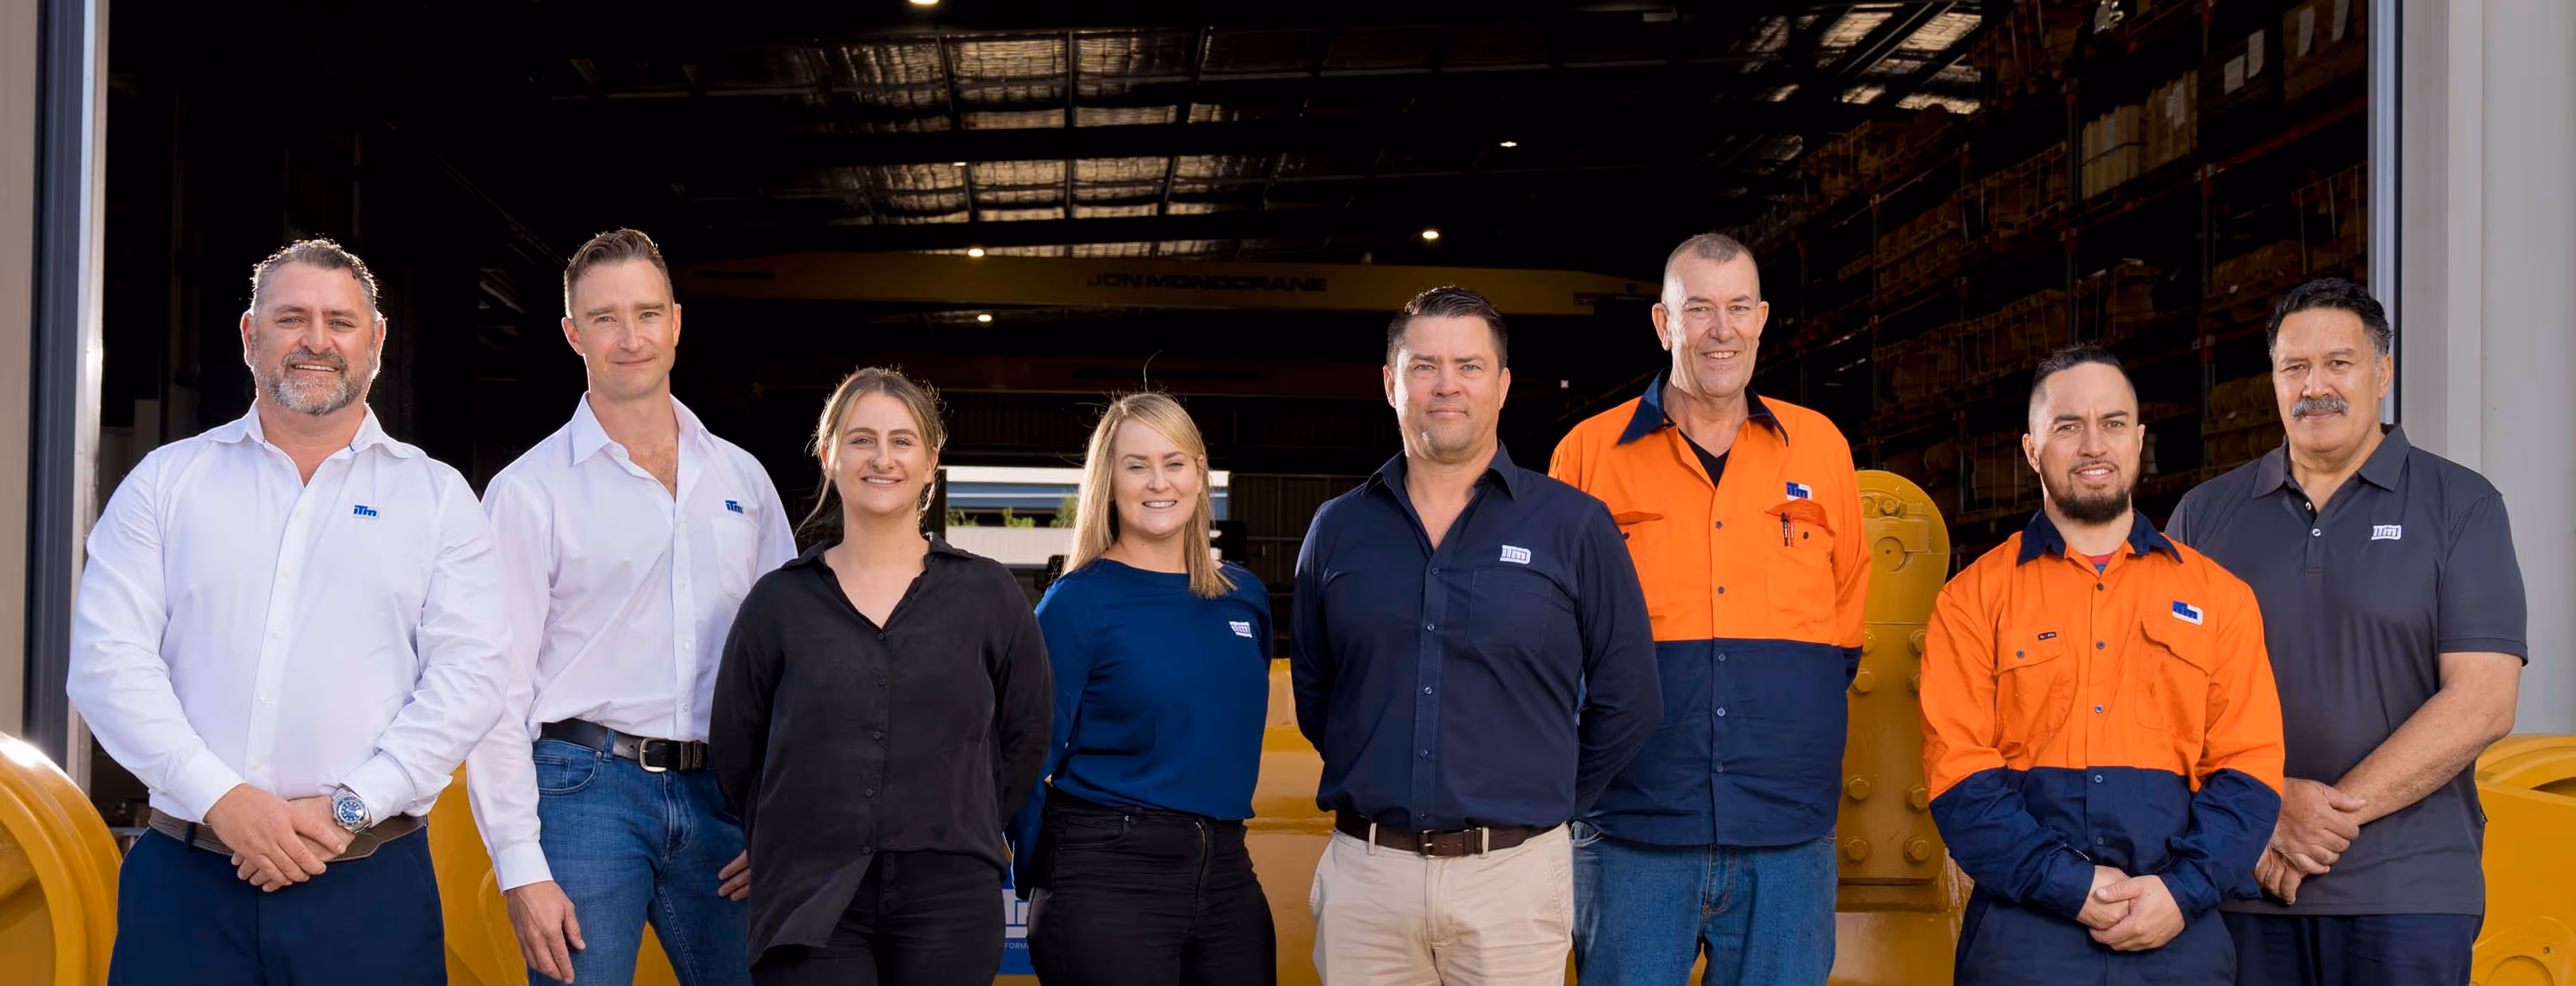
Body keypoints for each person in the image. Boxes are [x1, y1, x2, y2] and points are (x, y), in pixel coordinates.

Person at [66, 238, 508, 985]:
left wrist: (348, 809)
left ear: (375, 341)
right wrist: (226, 799)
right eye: (291, 318)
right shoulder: (166, 485)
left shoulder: (437, 501)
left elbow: (472, 678)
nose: (316, 340)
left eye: (340, 321)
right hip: (186, 882)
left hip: (371, 886)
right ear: (249, 335)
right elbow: (110, 666)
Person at [1290, 286, 1661, 986]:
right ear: (1390, 384)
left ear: (1503, 384)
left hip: (1514, 882)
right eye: (1424, 365)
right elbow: (1319, 693)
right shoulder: (1337, 529)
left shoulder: (1574, 526)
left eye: (1469, 365)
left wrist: (1545, 797)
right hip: (1368, 881)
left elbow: (1631, 697)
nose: (1446, 384)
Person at [2168, 278, 2527, 986]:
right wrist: (2270, 808)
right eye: (2294, 367)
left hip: (2409, 895)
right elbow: (2159, 693)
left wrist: (2316, 822)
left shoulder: (2462, 505)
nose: (2316, 387)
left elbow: (2484, 700)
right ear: (2273, 380)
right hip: (2241, 887)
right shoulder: (2204, 518)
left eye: (2340, 362)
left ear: (2384, 372)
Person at [467, 228, 797, 985]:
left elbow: (791, 661)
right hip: (585, 790)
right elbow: (495, 690)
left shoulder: (743, 479)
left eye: (646, 314)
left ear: (676, 323)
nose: (630, 337)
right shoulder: (529, 491)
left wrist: (778, 810)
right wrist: (521, 868)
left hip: (727, 796)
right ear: (572, 333)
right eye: (606, 318)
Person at [1547, 232, 1868, 984]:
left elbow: (1845, 627)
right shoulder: (1588, 456)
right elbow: (1554, 646)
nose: (1720, 330)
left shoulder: (1820, 449)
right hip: (1631, 831)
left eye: (1737, 309)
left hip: (1786, 837)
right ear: (1664, 324)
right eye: (1698, 310)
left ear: (1761, 319)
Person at [1919, 344, 2286, 984]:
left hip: (2178, 930)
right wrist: (2072, 885)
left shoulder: (2219, 597)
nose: (2094, 444)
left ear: (2138, 440)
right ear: (2032, 450)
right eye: (2068, 426)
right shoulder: (1973, 599)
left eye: (2113, 423)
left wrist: (2181, 892)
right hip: (2025, 932)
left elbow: (2250, 770)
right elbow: (1961, 779)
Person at [711, 367, 1052, 986]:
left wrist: (963, 816)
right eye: (862, 439)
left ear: (930, 462)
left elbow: (1027, 733)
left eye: (902, 441)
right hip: (810, 892)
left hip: (949, 895)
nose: (882, 458)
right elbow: (738, 748)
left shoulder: (988, 594)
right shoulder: (778, 603)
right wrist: (782, 836)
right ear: (829, 455)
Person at [1010, 392, 1277, 986]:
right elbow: (1025, 757)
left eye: (1174, 462)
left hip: (1228, 869)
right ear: (1109, 480)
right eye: (1137, 465)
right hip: (1106, 875)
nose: (1159, 482)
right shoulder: (1076, 603)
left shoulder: (1244, 597)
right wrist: (1048, 870)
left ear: (1200, 472)